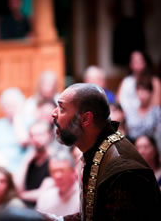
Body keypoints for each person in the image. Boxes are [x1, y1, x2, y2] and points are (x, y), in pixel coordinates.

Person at [51, 83, 161, 221]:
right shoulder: (96, 150)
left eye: (62, 108)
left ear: (86, 119)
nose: (53, 113)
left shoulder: (122, 172)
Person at [14, 120, 53, 208]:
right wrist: (25, 163)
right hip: (25, 206)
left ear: (49, 135)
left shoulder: (55, 160)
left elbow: (43, 194)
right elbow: (17, 187)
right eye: (32, 135)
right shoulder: (29, 159)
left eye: (39, 134)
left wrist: (21, 195)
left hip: (45, 208)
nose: (35, 139)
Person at [36, 149, 80, 217]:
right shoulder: (45, 197)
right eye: (53, 171)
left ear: (73, 171)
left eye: (62, 170)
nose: (57, 176)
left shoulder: (82, 197)